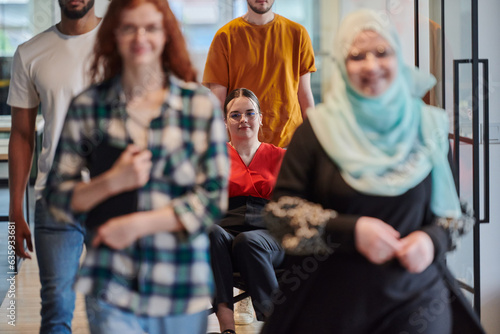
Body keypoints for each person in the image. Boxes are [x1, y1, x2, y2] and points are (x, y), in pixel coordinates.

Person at [261, 9, 484, 334]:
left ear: (399, 58)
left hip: (417, 304)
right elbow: (281, 214)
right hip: (332, 307)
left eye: (382, 52)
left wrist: (431, 239)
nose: (371, 65)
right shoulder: (317, 130)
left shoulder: (428, 127)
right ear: (341, 65)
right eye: (356, 56)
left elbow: (453, 214)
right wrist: (350, 231)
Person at [44, 0, 229, 333]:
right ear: (113, 34)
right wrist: (112, 182)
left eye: (151, 27)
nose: (139, 37)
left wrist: (136, 226)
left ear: (167, 35)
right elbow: (57, 197)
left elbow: (214, 197)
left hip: (181, 284)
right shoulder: (89, 107)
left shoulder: (198, 106)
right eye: (129, 27)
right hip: (112, 285)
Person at [7, 1, 101, 332]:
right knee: (57, 307)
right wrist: (16, 210)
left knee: (108, 309)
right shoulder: (30, 53)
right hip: (55, 197)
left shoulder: (122, 44)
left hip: (113, 194)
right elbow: (21, 135)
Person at [209, 88, 285, 334]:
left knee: (248, 241)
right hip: (225, 232)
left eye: (250, 113)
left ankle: (278, 324)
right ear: (225, 121)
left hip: (269, 234)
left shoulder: (281, 157)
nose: (243, 120)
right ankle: (227, 327)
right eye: (235, 115)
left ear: (261, 118)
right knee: (212, 233)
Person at [202, 0, 316, 148]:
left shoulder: (298, 34)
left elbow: (305, 95)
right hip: (242, 146)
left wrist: (314, 140)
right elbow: (219, 102)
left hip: (289, 144)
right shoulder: (225, 37)